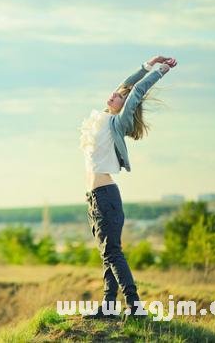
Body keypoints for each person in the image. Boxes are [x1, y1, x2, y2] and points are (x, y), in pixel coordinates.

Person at [78, 55, 177, 321]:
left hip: (106, 197)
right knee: (106, 254)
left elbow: (137, 91)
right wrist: (147, 64)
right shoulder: (101, 118)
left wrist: (160, 71)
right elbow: (127, 84)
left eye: (120, 96)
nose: (115, 94)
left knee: (113, 252)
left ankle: (135, 306)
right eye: (115, 93)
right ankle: (109, 307)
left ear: (125, 106)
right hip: (94, 198)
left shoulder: (117, 123)